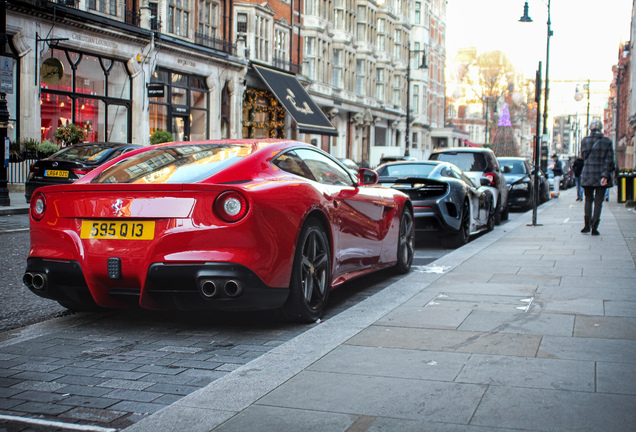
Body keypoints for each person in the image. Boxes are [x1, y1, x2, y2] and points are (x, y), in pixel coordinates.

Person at [580, 119, 614, 235]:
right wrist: (605, 175)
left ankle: (586, 225)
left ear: (590, 128)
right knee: (599, 202)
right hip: (601, 176)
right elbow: (609, 160)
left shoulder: (585, 140)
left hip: (588, 174)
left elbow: (584, 156)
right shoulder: (607, 141)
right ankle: (595, 226)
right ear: (601, 128)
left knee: (588, 200)